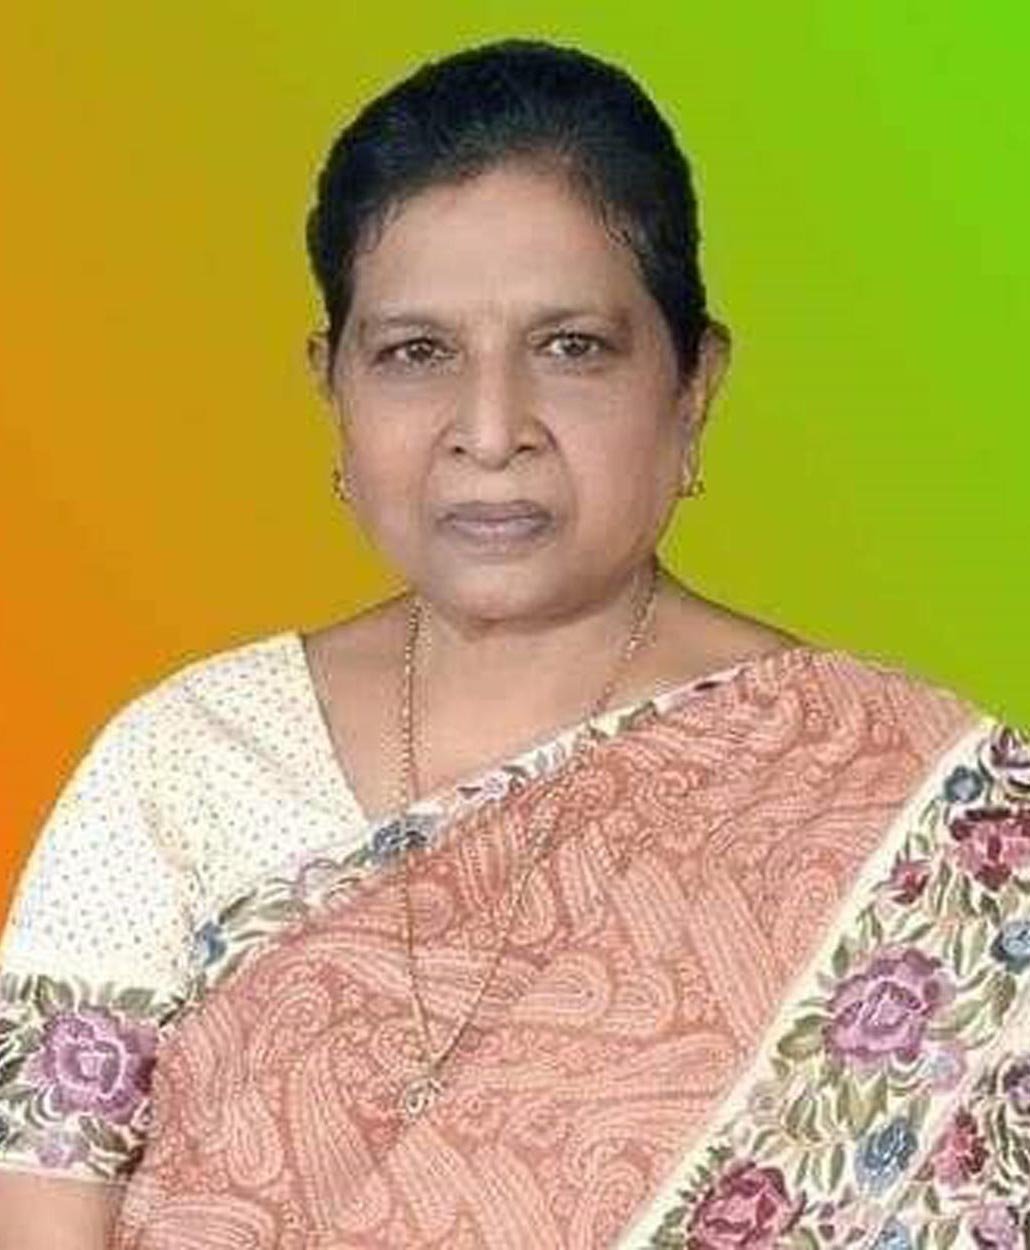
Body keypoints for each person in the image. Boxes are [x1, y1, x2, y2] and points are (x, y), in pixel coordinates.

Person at [1, 36, 1027, 1250]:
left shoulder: (910, 807)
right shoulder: (186, 761)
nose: (490, 430)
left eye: (571, 346)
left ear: (694, 382)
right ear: (333, 385)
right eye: (415, 353)